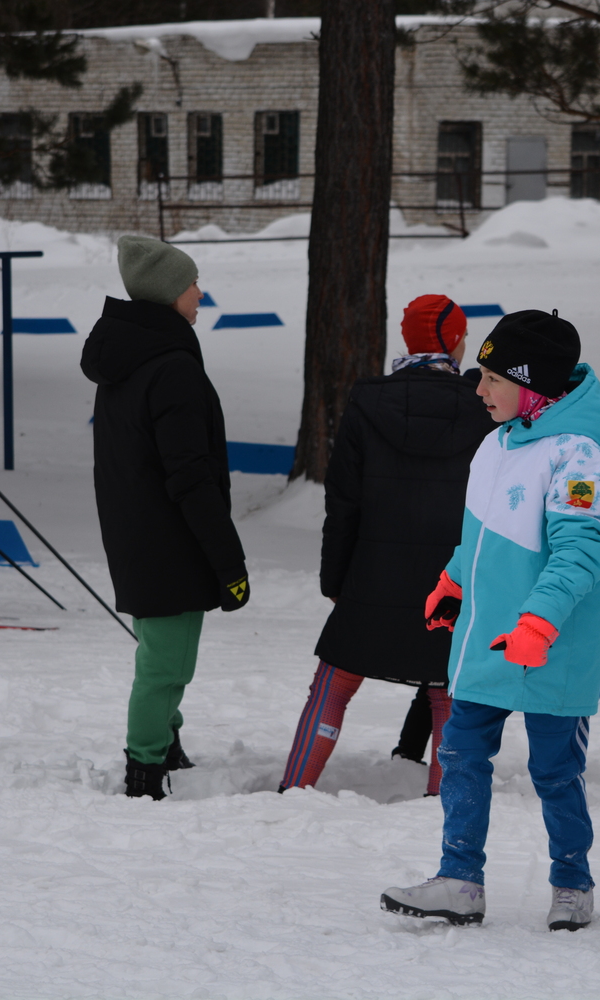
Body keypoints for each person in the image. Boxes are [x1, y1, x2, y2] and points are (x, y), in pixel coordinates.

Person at [380, 309, 600, 932]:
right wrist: (455, 582)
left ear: (532, 385)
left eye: (491, 378)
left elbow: (580, 552)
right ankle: (460, 878)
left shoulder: (579, 458)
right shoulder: (495, 445)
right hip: (488, 640)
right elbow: (480, 536)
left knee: (554, 769)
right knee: (459, 751)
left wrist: (539, 622)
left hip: (549, 647)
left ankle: (573, 882)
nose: (478, 389)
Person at [279, 295, 496, 797]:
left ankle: (295, 791)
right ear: (457, 341)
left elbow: (342, 503)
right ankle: (442, 803)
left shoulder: (366, 401)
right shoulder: (484, 409)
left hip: (371, 578)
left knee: (333, 684)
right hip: (452, 585)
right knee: (447, 694)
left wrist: (335, 581)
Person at [80, 235, 250, 801]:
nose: (200, 293)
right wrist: (228, 559)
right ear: (168, 292)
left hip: (139, 532)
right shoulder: (169, 367)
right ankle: (145, 767)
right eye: (191, 283)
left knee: (166, 653)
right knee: (165, 664)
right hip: (169, 538)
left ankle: (166, 740)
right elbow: (190, 476)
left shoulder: (131, 356)